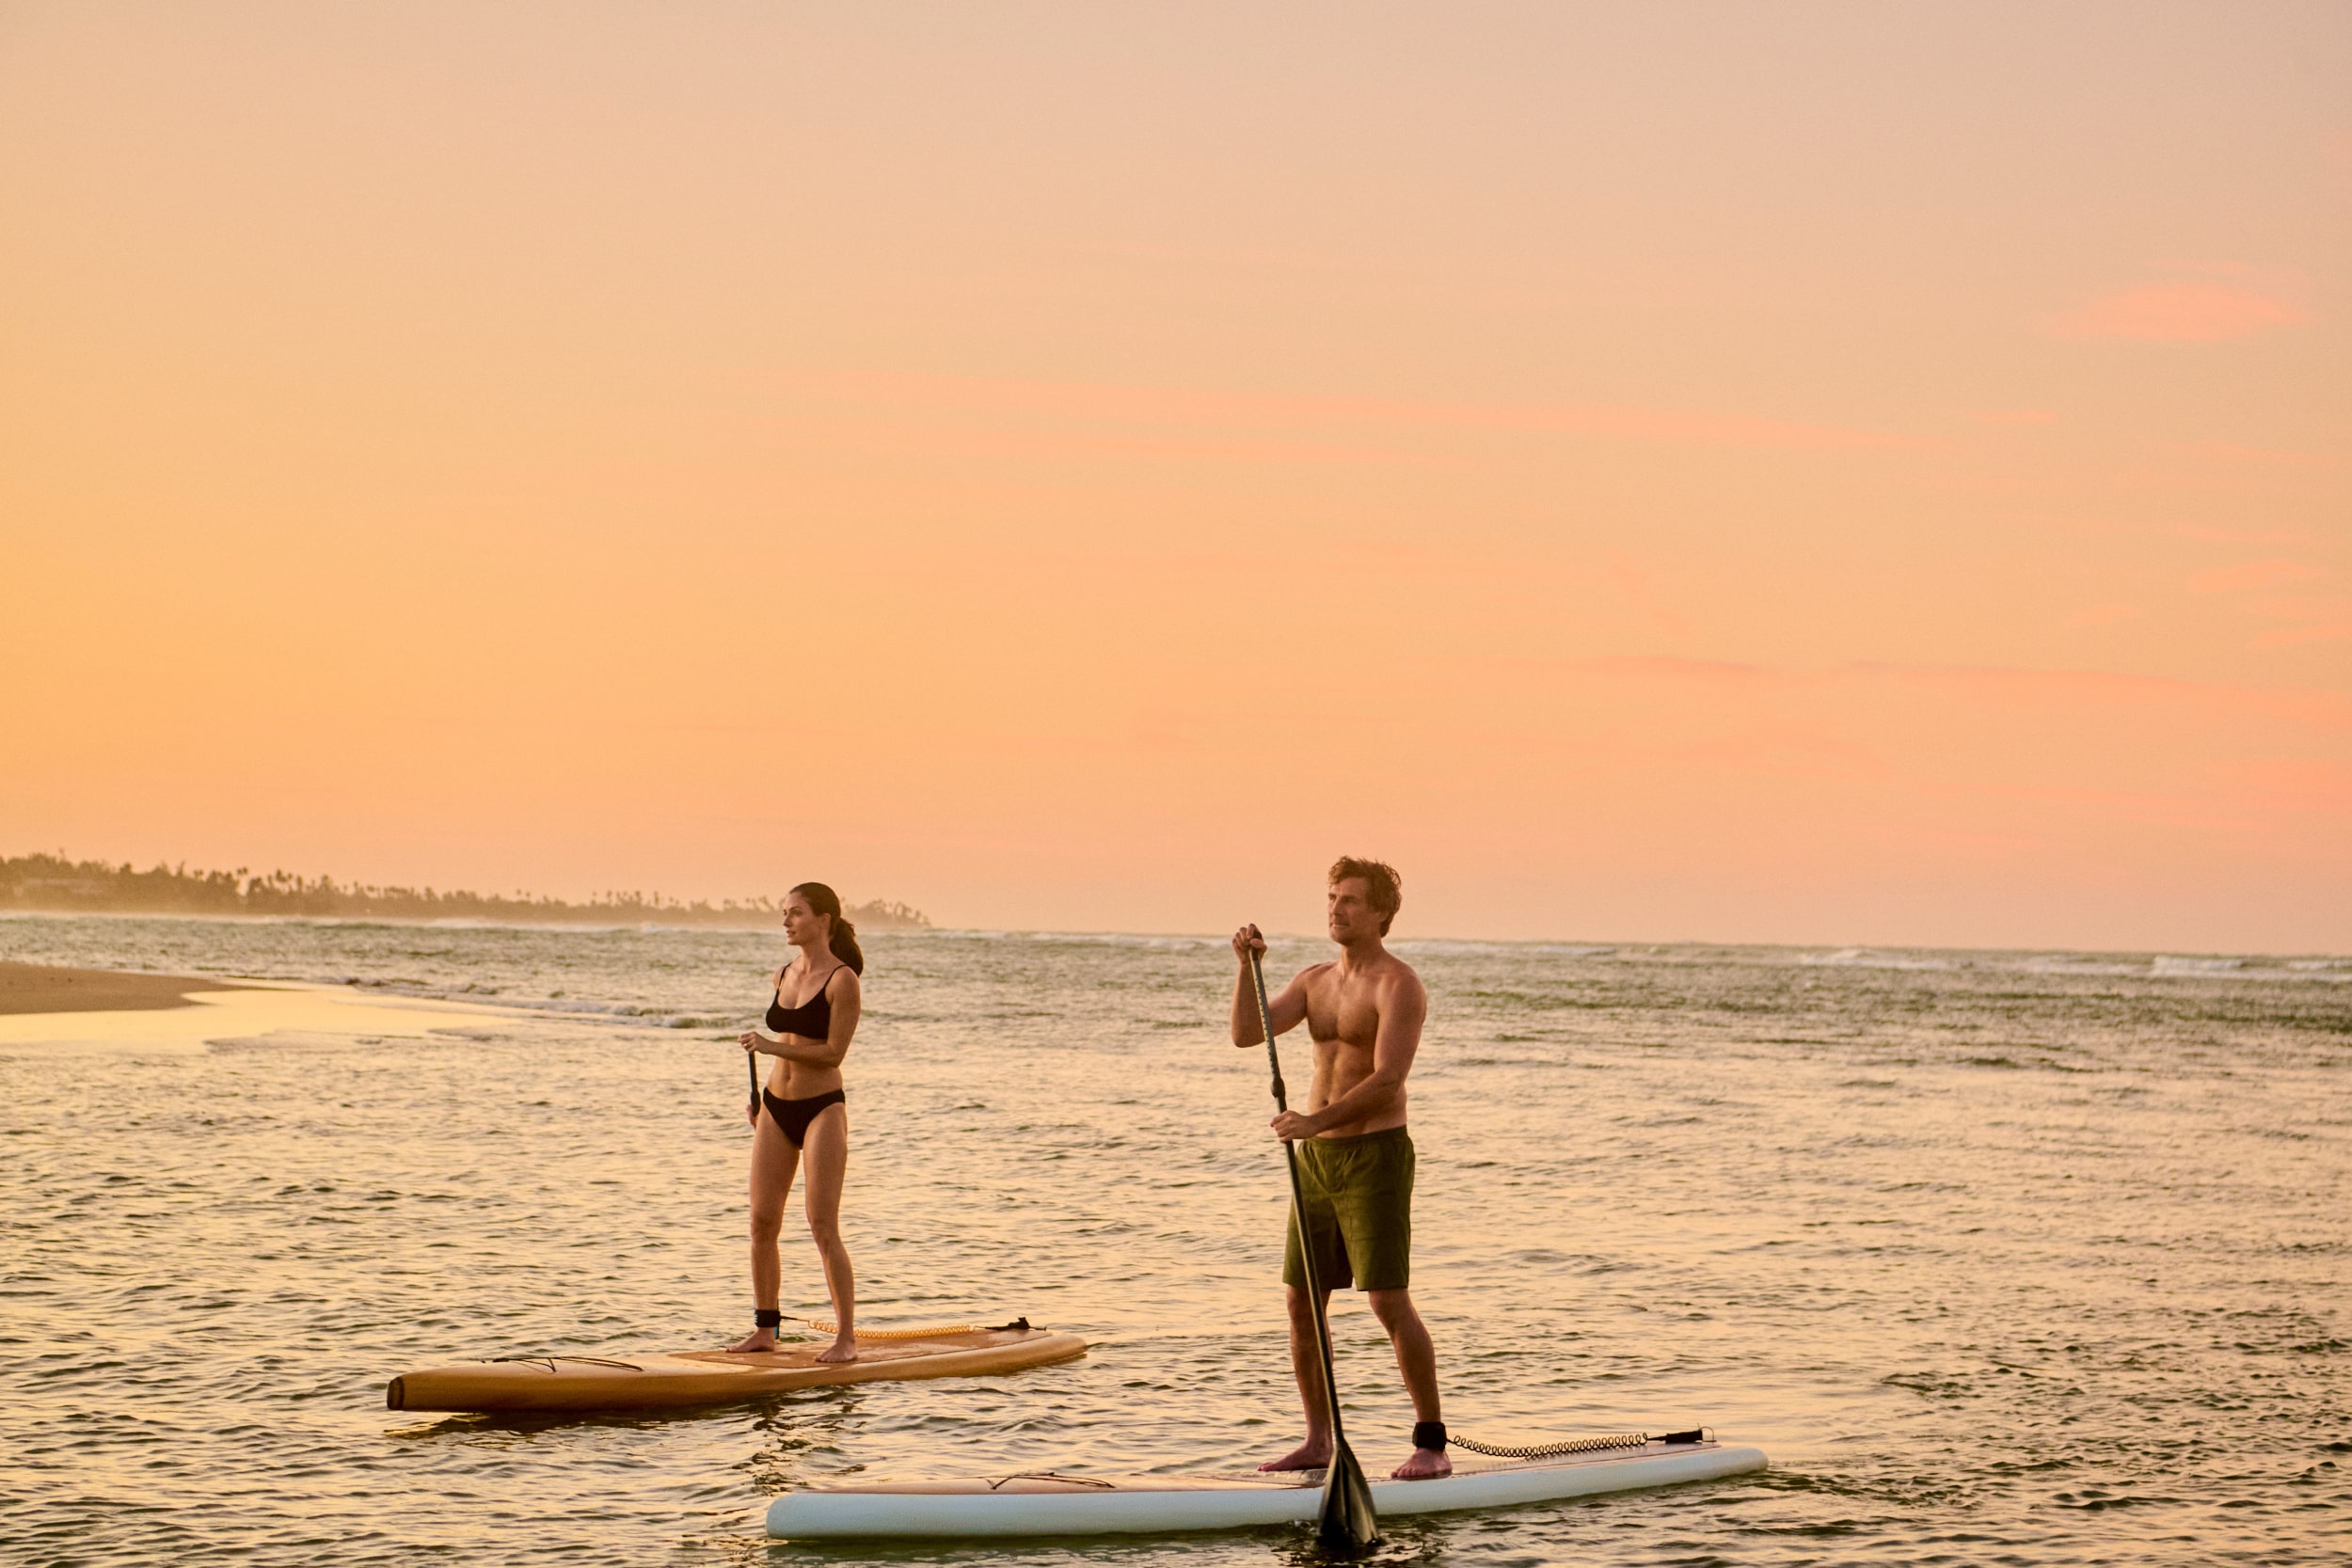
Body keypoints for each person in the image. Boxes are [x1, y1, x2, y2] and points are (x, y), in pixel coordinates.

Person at [1231, 856, 1450, 1481]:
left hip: (1373, 1156)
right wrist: (1246, 968)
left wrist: (1313, 1122)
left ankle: (1431, 1442)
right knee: (1302, 1301)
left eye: (1350, 899)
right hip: (1318, 1159)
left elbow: (1388, 1082)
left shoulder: (1398, 986)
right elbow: (1249, 1032)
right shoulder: (1314, 980)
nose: (1336, 908)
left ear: (1382, 912)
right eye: (1331, 897)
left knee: (1386, 1298)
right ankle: (1318, 1439)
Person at [728, 882, 864, 1361]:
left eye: (796, 913)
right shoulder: (782, 974)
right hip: (774, 1107)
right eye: (784, 914)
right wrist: (761, 1101)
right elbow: (786, 1041)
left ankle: (846, 1338)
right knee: (762, 1222)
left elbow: (831, 1054)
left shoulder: (842, 980)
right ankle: (766, 1330)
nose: (786, 922)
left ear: (823, 920)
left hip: (822, 1107)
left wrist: (769, 1046)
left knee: (822, 1224)